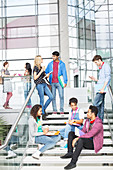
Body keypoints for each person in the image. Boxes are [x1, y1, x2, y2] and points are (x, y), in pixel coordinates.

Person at [61, 105, 103, 170]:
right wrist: (77, 134)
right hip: (87, 139)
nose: (87, 113)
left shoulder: (98, 123)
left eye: (88, 112)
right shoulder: (87, 121)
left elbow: (90, 134)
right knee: (71, 133)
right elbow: (83, 131)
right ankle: (70, 152)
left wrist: (77, 138)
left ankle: (73, 162)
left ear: (93, 113)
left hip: (94, 143)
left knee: (81, 140)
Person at [89, 55, 111, 122]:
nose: (96, 64)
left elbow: (108, 78)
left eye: (96, 62)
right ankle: (100, 120)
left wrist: (103, 88)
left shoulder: (106, 66)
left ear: (99, 60)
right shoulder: (101, 68)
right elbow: (102, 80)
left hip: (102, 89)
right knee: (101, 105)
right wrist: (95, 79)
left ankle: (97, 119)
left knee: (95, 104)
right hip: (100, 88)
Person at [33, 55, 53, 120]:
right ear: (38, 60)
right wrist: (41, 71)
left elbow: (44, 77)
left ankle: (43, 109)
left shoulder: (41, 67)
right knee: (42, 99)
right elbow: (35, 78)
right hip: (39, 84)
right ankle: (43, 113)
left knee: (51, 97)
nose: (42, 60)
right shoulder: (35, 68)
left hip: (44, 83)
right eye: (41, 59)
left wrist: (48, 74)